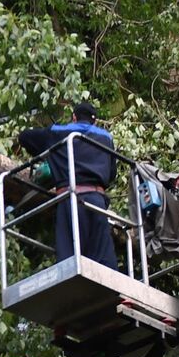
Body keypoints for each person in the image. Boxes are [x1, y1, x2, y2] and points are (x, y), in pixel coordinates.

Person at [18, 101, 122, 270]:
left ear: (74, 117)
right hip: (97, 201)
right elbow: (111, 175)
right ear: (94, 121)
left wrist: (52, 157)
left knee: (70, 261)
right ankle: (117, 294)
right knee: (103, 259)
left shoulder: (60, 132)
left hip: (70, 200)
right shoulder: (106, 138)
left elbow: (24, 137)